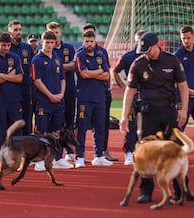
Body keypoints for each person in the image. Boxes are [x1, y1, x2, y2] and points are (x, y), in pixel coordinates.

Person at [120, 32, 189, 203]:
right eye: (143, 50)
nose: (146, 53)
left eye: (148, 49)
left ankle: (182, 190)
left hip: (168, 111)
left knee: (174, 149)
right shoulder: (138, 64)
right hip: (147, 113)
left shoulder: (172, 60)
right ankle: (146, 191)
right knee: (146, 150)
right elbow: (130, 91)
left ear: (157, 45)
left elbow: (183, 86)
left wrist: (184, 110)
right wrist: (123, 116)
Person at [74, 30, 114, 168]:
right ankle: (79, 156)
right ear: (83, 41)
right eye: (87, 41)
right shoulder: (79, 55)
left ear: (95, 41)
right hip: (84, 97)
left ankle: (99, 156)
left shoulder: (101, 55)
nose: (89, 44)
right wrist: (98, 72)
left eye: (91, 41)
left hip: (100, 97)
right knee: (81, 127)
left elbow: (107, 76)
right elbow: (84, 74)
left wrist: (94, 73)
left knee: (100, 127)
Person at [0, 32, 23, 172]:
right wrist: (9, 76)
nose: (6, 48)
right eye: (3, 45)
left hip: (14, 100)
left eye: (8, 45)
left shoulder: (15, 57)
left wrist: (1, 75)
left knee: (16, 132)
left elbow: (19, 78)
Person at [31, 30, 66, 170]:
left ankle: (56, 158)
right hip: (43, 101)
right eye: (47, 42)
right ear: (41, 43)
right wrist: (50, 95)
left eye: (52, 42)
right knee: (41, 131)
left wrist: (61, 93)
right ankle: (39, 160)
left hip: (58, 100)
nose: (50, 45)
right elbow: (37, 81)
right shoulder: (37, 59)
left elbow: (63, 78)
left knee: (56, 131)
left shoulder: (58, 58)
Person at [112, 30, 147, 165]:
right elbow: (115, 70)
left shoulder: (152, 55)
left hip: (149, 96)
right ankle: (129, 153)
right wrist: (123, 86)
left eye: (143, 40)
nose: (140, 42)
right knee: (131, 125)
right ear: (135, 41)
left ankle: (144, 152)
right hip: (134, 96)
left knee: (148, 126)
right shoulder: (128, 56)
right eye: (138, 40)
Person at [46, 21, 76, 167]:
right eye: (52, 32)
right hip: (52, 91)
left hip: (69, 89)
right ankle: (54, 154)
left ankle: (68, 150)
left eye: (57, 32)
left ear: (60, 33)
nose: (55, 35)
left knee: (69, 121)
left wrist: (57, 66)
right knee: (55, 123)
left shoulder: (69, 48)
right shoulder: (47, 50)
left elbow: (74, 65)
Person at [173, 25, 194, 201]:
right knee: (179, 125)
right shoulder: (177, 55)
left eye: (188, 37)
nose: (185, 41)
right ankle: (179, 156)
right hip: (185, 99)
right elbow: (177, 80)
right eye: (183, 38)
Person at [8, 20, 34, 136]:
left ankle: (27, 148)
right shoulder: (6, 48)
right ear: (10, 33)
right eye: (15, 30)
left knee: (27, 119)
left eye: (20, 29)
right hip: (11, 90)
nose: (18, 32)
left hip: (26, 89)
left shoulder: (27, 48)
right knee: (13, 121)